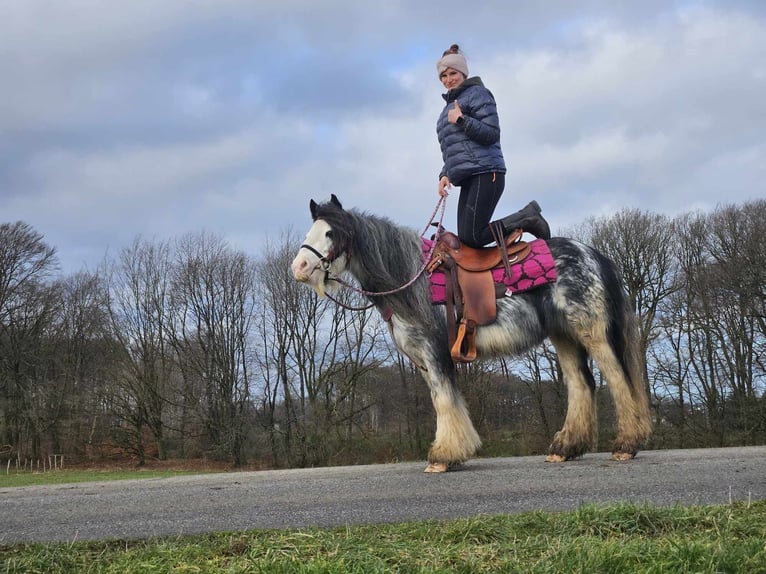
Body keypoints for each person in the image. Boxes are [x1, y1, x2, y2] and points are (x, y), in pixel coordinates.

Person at [436, 44, 550, 247]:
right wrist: (444, 174)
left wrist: (461, 120)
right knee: (466, 241)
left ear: (463, 72)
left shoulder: (478, 94)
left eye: (452, 73)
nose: (448, 79)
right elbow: (455, 147)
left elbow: (491, 133)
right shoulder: (447, 109)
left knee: (473, 236)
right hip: (468, 176)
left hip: (487, 172)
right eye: (443, 76)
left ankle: (527, 217)